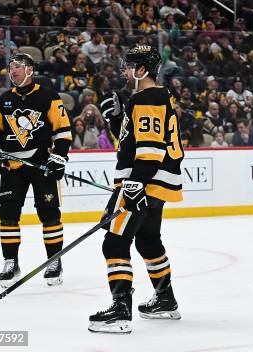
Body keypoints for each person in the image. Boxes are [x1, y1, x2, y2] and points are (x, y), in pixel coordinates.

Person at [90, 45, 184, 334]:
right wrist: (117, 120)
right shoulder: (155, 97)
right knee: (147, 241)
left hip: (145, 182)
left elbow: (151, 149)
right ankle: (165, 300)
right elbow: (135, 139)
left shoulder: (148, 97)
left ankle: (120, 310)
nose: (124, 70)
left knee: (114, 243)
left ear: (142, 69)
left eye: (129, 65)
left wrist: (134, 184)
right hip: (155, 183)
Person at [0, 53, 71, 288]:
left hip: (42, 165)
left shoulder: (48, 97)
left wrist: (59, 157)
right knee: (8, 216)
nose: (12, 71)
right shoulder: (3, 100)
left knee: (50, 214)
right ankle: (10, 262)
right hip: (13, 167)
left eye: (18, 67)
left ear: (30, 70)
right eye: (11, 67)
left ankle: (54, 262)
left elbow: (62, 131)